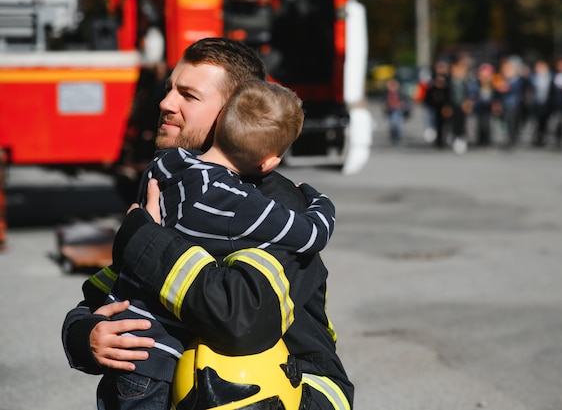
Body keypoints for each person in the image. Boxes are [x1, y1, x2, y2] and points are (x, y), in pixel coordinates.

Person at [62, 37, 354, 410]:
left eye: (189, 95)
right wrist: (84, 334)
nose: (166, 103)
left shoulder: (273, 207)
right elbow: (116, 285)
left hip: (295, 395)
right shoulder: (177, 184)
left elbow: (243, 320)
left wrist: (143, 238)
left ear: (234, 111)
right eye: (169, 89)